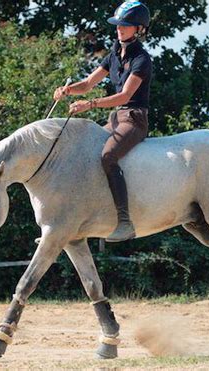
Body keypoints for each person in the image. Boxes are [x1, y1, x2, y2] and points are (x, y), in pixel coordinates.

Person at [53, 1, 152, 242]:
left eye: (126, 25)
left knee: (108, 156)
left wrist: (90, 104)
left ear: (139, 29)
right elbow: (87, 84)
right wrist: (68, 90)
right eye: (118, 24)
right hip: (116, 118)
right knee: (86, 151)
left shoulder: (142, 59)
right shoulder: (114, 53)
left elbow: (125, 96)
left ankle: (125, 221)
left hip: (135, 120)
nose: (120, 29)